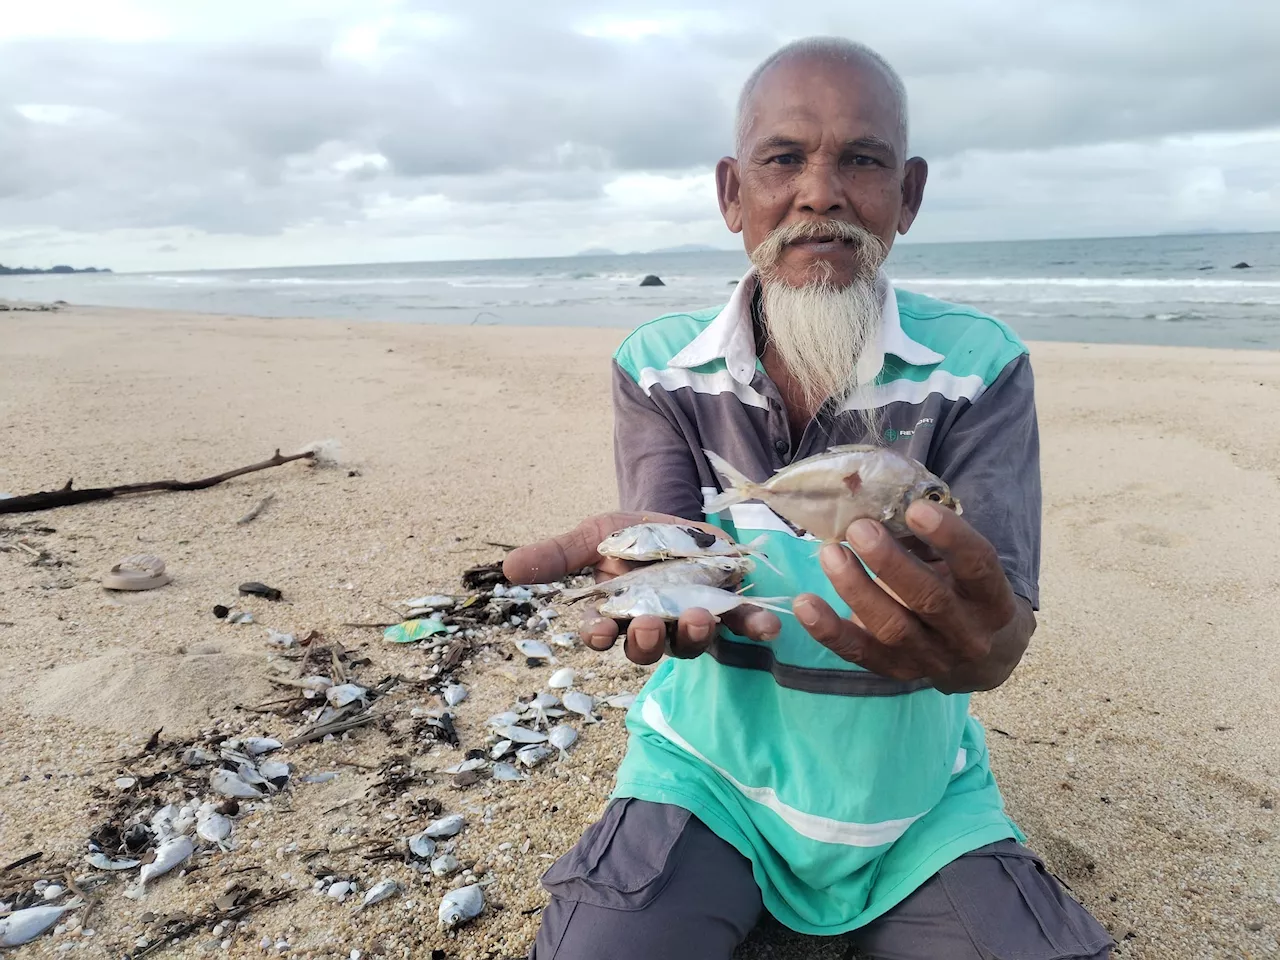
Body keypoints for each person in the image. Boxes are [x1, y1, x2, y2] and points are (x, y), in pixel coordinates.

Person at [504, 36, 1115, 960]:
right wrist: (651, 571)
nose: (820, 192)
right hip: (703, 776)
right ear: (730, 194)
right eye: (783, 159)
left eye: (861, 161)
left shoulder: (981, 368)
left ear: (906, 196)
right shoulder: (657, 365)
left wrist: (979, 649)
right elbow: (677, 544)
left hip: (915, 802)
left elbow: (997, 632)